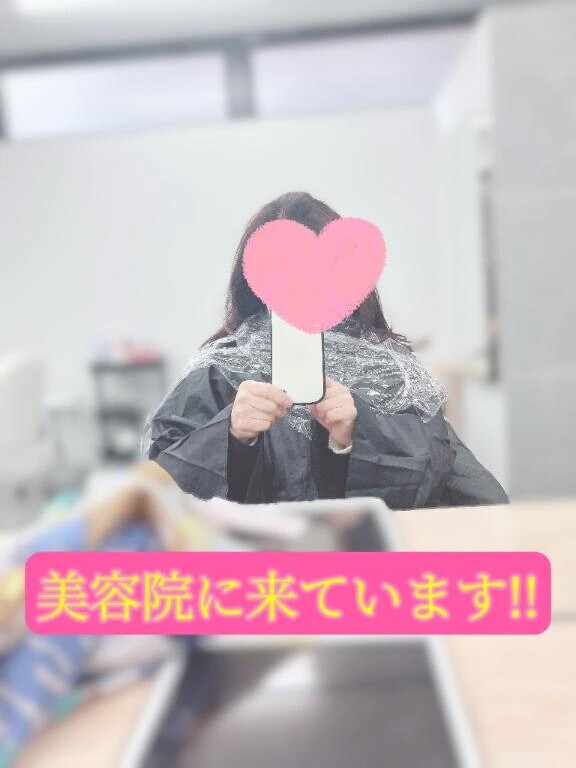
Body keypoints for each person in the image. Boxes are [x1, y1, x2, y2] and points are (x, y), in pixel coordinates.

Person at [147, 192, 508, 509]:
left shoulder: (388, 370)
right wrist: (230, 436)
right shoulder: (218, 370)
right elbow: (160, 493)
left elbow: (456, 483)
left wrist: (355, 437)